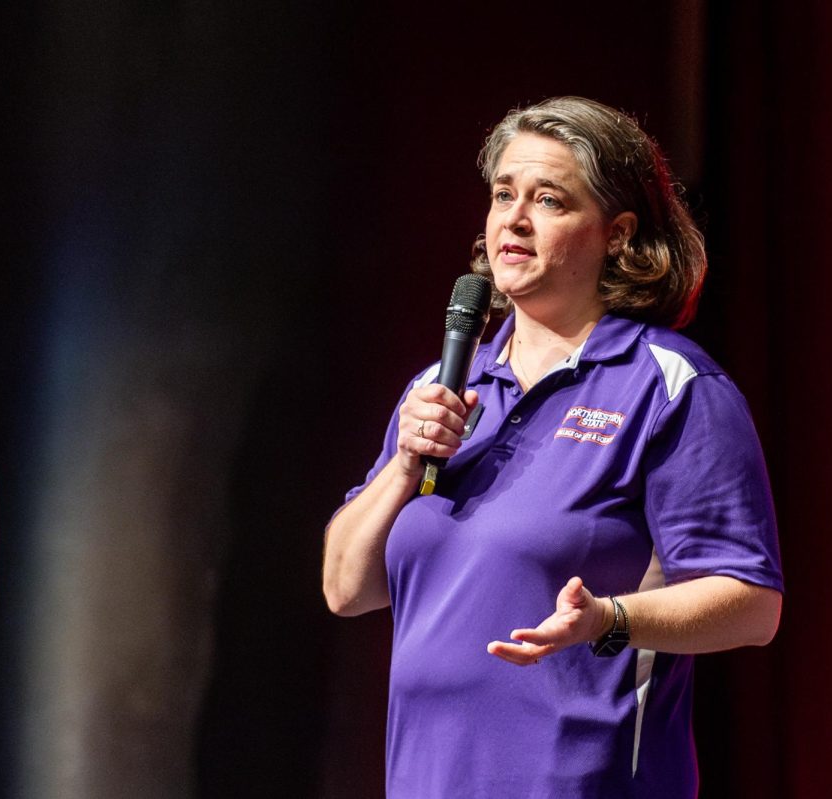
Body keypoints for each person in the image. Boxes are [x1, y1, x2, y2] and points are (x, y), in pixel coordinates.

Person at [322, 96, 783, 798]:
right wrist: (404, 465)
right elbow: (346, 588)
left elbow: (752, 604)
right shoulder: (442, 387)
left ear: (618, 234)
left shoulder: (669, 385)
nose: (514, 217)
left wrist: (610, 620)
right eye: (504, 193)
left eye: (549, 200)